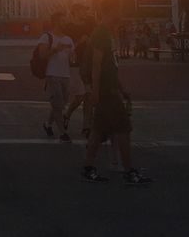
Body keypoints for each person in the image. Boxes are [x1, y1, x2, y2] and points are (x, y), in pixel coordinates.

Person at [82, 10, 151, 185]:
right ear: (108, 11)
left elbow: (110, 66)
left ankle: (89, 167)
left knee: (97, 132)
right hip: (107, 92)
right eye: (116, 11)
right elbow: (96, 65)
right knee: (123, 129)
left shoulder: (107, 34)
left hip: (110, 89)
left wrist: (121, 88)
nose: (118, 17)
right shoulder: (101, 34)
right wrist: (96, 91)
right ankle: (129, 171)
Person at [37, 12, 75, 142]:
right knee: (58, 105)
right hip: (52, 74)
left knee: (61, 103)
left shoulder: (68, 39)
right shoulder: (46, 37)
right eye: (63, 20)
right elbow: (42, 55)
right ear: (56, 22)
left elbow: (71, 58)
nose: (65, 23)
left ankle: (48, 124)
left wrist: (73, 56)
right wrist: (56, 49)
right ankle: (63, 133)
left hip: (65, 75)